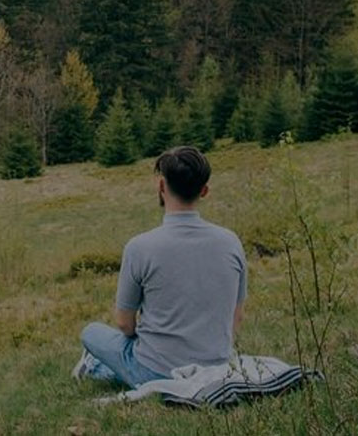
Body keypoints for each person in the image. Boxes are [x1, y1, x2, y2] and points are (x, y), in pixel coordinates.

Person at [76, 146, 248, 388]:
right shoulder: (231, 242)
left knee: (91, 332)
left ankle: (97, 366)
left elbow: (124, 324)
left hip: (155, 370)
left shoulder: (139, 247)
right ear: (204, 191)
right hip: (217, 367)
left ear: (161, 186)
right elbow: (236, 317)